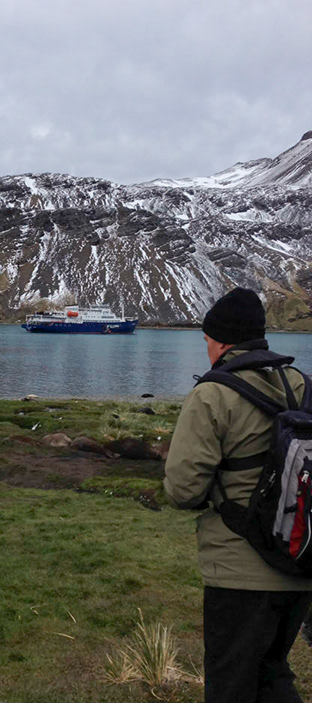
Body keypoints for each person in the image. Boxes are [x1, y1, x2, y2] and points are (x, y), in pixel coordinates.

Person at [165, 288, 312, 703]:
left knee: (231, 683)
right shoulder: (303, 385)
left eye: (207, 340)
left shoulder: (212, 394)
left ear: (223, 341)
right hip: (299, 558)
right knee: (273, 675)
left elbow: (182, 489)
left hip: (238, 571)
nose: (206, 348)